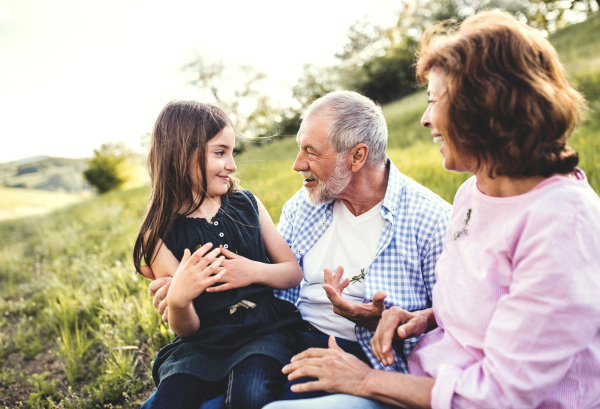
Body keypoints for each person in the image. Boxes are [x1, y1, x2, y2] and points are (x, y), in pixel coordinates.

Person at [267, 10, 600, 409]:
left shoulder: (563, 223)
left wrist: (364, 379)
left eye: (434, 101)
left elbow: (498, 396)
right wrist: (420, 318)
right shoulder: (473, 194)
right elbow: (474, 308)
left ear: (483, 108)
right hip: (425, 379)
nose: (425, 119)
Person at [147, 91, 452, 404]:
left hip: (363, 356)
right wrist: (181, 296)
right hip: (290, 338)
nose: (296, 164)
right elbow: (267, 282)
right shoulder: (304, 206)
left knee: (256, 402)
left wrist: (381, 320)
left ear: (357, 157)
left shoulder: (430, 220)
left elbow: (455, 321)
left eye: (310, 151)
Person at [133, 101, 322, 409]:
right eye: (220, 152)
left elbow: (291, 272)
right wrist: (179, 300)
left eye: (231, 152)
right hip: (201, 345)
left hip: (262, 331)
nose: (232, 165)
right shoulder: (158, 235)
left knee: (251, 396)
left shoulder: (246, 204)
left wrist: (253, 271)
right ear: (181, 154)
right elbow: (186, 329)